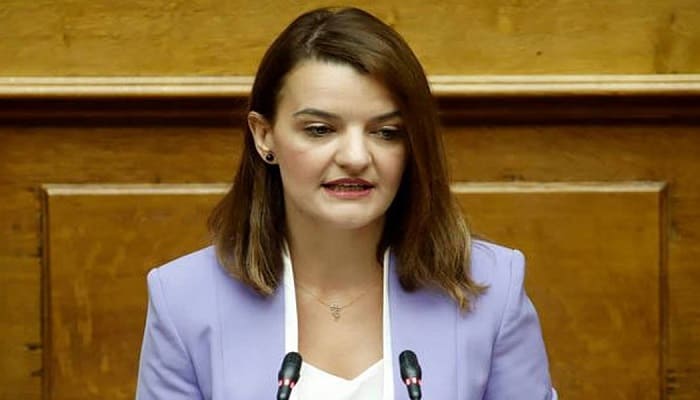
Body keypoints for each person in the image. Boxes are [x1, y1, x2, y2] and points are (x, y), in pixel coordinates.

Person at [136, 6, 557, 400]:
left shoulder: (492, 290)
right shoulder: (185, 300)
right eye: (320, 129)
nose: (355, 157)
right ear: (265, 136)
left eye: (386, 132)